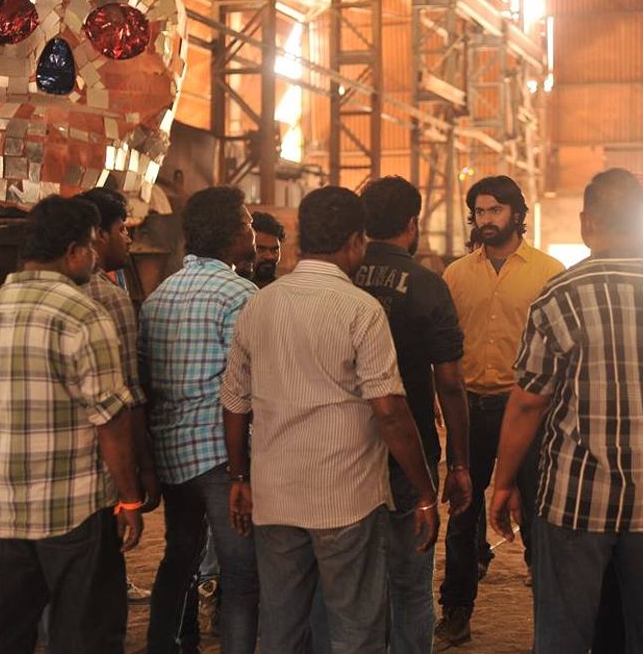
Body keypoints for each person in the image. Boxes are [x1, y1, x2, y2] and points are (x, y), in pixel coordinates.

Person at [489, 168, 643, 654]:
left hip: (574, 498)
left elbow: (528, 402)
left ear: (587, 222)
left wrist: (503, 482)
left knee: (563, 634)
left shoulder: (559, 296)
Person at [220, 186, 440, 653]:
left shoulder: (260, 304)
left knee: (281, 628)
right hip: (347, 499)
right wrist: (424, 491)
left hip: (276, 495)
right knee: (355, 629)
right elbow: (390, 412)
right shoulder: (361, 309)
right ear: (356, 242)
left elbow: (234, 402)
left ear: (301, 239)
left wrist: (239, 476)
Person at [0, 196, 143, 654]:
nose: (95, 256)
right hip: (76, 512)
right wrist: (129, 498)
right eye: (91, 246)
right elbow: (111, 421)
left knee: (2, 639)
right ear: (74, 252)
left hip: (7, 515)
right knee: (85, 638)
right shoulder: (84, 314)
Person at [436, 175, 564, 646]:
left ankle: (550, 622)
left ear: (517, 214)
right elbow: (443, 346)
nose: (487, 219)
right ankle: (456, 613)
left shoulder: (549, 273)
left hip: (525, 409)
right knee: (463, 513)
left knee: (537, 517)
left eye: (496, 210)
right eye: (480, 211)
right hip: (468, 409)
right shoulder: (456, 275)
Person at [352, 176, 472, 653]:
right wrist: (459, 463)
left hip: (345, 449)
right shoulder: (427, 286)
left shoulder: (342, 278)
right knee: (410, 580)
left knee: (353, 581)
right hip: (411, 452)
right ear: (412, 223)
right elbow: (451, 383)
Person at [141, 186, 260, 654]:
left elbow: (147, 380)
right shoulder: (240, 294)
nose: (252, 232)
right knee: (241, 574)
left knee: (180, 558)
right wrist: (242, 471)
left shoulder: (159, 296)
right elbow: (247, 386)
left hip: (172, 454)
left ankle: (167, 645)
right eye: (248, 224)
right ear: (231, 235)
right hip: (219, 455)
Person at [74, 188, 160, 604]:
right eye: (123, 229)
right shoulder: (109, 298)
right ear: (99, 235)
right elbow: (128, 395)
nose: (129, 239)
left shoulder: (11, 298)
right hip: (102, 455)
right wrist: (143, 470)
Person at [236, 212, 285, 288]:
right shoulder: (232, 288)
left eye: (274, 250)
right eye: (260, 249)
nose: (269, 256)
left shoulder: (283, 290)